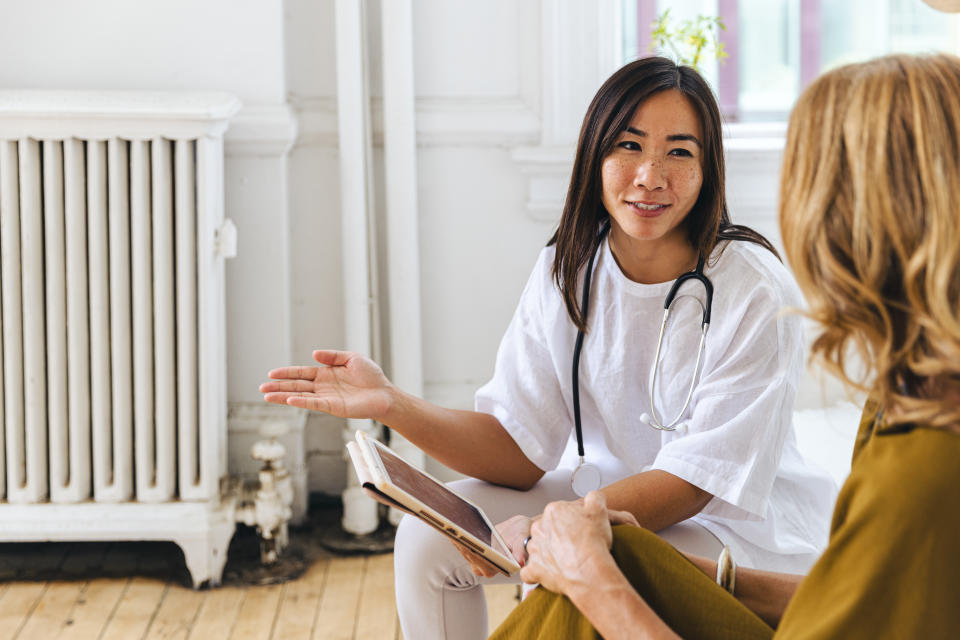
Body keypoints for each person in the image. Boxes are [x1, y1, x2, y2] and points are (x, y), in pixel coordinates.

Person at [260, 56, 836, 640]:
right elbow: (517, 445)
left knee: (610, 562)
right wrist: (390, 402)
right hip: (607, 494)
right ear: (595, 153)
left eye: (680, 152)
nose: (650, 176)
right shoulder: (570, 266)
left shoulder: (752, 287)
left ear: (710, 168)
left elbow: (696, 482)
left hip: (733, 528)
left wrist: (553, 527)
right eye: (629, 146)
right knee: (424, 540)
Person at [489, 52, 960, 639]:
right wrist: (648, 566)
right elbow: (853, 599)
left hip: (750, 546)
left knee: (583, 595)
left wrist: (595, 579)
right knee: (624, 557)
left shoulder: (928, 463)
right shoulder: (911, 398)